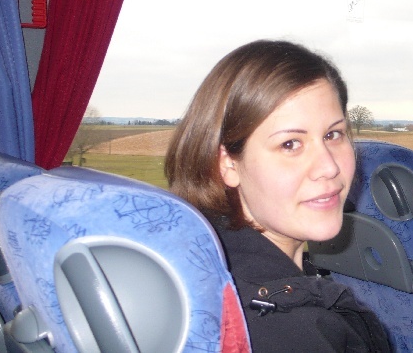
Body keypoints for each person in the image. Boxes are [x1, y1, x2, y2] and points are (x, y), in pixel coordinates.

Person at [165, 40, 389, 352]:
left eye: (333, 134)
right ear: (227, 163)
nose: (329, 167)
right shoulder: (286, 331)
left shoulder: (206, 261)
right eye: (290, 144)